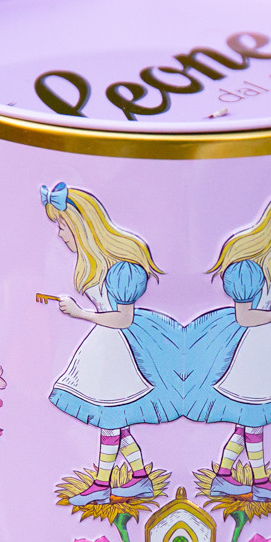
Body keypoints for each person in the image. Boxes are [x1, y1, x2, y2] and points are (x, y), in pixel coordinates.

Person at [183, 180, 271, 504]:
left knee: (245, 422)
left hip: (263, 346)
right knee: (254, 418)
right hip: (248, 350)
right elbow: (245, 317)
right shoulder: (248, 269)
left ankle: (223, 476)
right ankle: (260, 482)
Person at [41, 182, 174, 506]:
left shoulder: (121, 271)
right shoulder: (92, 266)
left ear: (80, 227)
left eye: (63, 226)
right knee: (117, 422)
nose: (59, 234)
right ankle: (139, 477)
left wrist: (80, 313)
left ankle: (102, 483)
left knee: (110, 420)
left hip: (116, 351)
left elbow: (124, 320)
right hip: (103, 347)